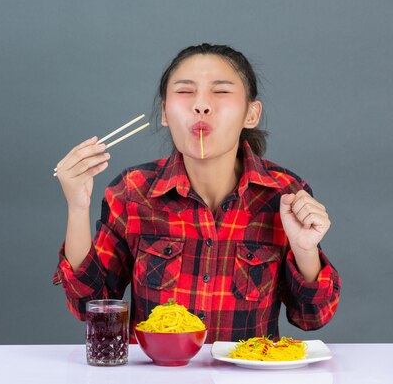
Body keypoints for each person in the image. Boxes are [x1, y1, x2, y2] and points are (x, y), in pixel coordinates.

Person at [52, 43, 341, 343]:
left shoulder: (285, 194)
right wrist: (77, 206)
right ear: (164, 112)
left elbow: (312, 316)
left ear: (251, 114)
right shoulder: (132, 191)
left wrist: (305, 251)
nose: (201, 105)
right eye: (185, 91)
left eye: (221, 91)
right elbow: (90, 307)